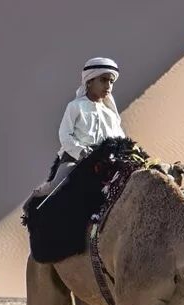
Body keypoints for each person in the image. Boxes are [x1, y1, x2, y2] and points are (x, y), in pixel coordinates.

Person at [28, 57, 125, 203]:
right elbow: (64, 135)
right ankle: (35, 198)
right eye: (104, 80)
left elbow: (120, 139)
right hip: (75, 158)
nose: (108, 86)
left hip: (105, 160)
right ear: (89, 81)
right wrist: (81, 151)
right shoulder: (75, 106)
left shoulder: (110, 114)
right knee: (58, 185)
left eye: (111, 82)